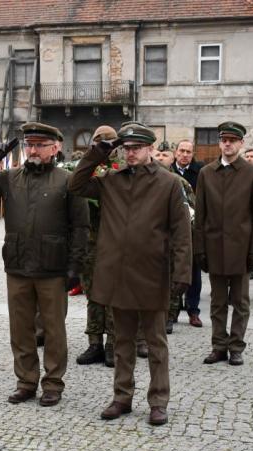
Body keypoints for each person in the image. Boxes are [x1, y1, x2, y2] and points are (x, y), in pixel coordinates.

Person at [69, 122, 191, 426]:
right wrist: (100, 151)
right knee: (121, 341)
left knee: (155, 343)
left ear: (150, 149)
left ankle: (158, 401)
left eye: (137, 148)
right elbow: (76, 184)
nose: (131, 153)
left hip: (152, 272)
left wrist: (182, 273)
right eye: (127, 148)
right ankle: (121, 397)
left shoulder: (169, 183)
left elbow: (181, 232)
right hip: (117, 272)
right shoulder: (110, 179)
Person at [0, 122, 89, 407]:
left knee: (54, 330)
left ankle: (53, 384)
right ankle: (26, 381)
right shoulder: (11, 178)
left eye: (39, 145)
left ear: (55, 148)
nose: (33, 150)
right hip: (18, 265)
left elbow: (81, 227)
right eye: (29, 144)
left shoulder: (67, 180)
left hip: (53, 268)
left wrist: (75, 267)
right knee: (20, 329)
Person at [194, 121, 253, 366]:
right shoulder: (206, 173)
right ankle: (218, 346)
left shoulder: (252, 173)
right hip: (214, 247)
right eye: (224, 140)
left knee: (241, 301)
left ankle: (236, 346)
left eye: (232, 140)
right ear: (219, 143)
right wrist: (199, 248)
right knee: (217, 302)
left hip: (241, 249)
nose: (227, 144)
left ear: (241, 144)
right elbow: (200, 214)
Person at [75, 126, 119, 368]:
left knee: (113, 295)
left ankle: (113, 342)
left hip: (114, 243)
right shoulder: (87, 168)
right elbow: (76, 186)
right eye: (100, 143)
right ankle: (94, 342)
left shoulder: (119, 172)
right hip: (91, 242)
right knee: (92, 294)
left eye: (109, 143)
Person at [170, 139, 203, 327]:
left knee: (193, 271)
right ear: (176, 152)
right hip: (171, 228)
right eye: (181, 150)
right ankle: (173, 310)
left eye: (188, 152)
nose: (184, 154)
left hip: (192, 227)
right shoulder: (167, 171)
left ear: (192, 154)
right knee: (172, 269)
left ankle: (193, 310)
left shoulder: (200, 172)